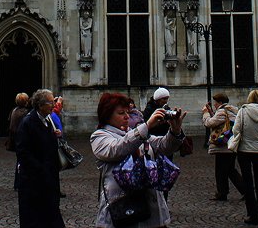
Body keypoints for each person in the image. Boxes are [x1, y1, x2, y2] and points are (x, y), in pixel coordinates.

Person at [91, 91, 184, 228]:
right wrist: (146, 126)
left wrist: (175, 131)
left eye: (127, 112)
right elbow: (117, 149)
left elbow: (163, 146)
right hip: (122, 209)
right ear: (107, 115)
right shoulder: (99, 137)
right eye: (121, 113)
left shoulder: (134, 132)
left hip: (150, 208)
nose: (127, 116)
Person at [14, 88, 65, 227]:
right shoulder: (28, 122)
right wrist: (41, 169)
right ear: (41, 105)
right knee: (34, 219)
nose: (54, 105)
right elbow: (23, 152)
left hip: (48, 178)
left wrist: (55, 136)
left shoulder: (48, 120)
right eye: (51, 102)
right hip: (34, 181)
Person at [231, 89, 258, 225]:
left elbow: (236, 130)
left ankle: (252, 214)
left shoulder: (243, 110)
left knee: (248, 182)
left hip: (244, 150)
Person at [202, 92, 244, 202]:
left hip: (223, 145)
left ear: (220, 102)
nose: (215, 105)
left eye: (216, 103)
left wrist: (206, 113)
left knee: (220, 171)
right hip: (231, 144)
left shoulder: (222, 111)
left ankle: (222, 193)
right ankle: (243, 190)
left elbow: (209, 123)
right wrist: (212, 112)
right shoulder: (233, 110)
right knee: (230, 170)